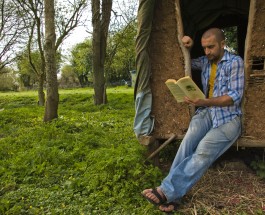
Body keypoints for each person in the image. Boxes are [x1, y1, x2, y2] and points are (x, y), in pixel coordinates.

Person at [141, 28, 245, 213]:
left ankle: (166, 191)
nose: (207, 52)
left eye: (211, 47)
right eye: (204, 48)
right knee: (187, 143)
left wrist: (203, 101)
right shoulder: (206, 61)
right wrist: (186, 44)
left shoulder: (235, 62)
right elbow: (183, 60)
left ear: (223, 44)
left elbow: (234, 96)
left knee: (203, 150)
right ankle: (174, 195)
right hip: (207, 113)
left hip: (228, 118)